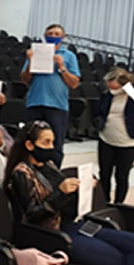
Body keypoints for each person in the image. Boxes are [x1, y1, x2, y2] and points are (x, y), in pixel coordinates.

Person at [4, 121, 134, 265]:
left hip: (74, 224)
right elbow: (32, 216)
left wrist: (83, 189)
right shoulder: (21, 173)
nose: (51, 147)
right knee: (131, 264)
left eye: (52, 142)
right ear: (30, 145)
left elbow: (67, 205)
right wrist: (60, 193)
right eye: (46, 142)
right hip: (52, 235)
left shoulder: (49, 166)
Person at [20, 24, 80, 167]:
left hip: (57, 106)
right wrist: (30, 61)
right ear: (45, 35)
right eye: (50, 33)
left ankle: (53, 175)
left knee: (56, 144)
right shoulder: (35, 52)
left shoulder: (69, 56)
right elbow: (25, 79)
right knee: (30, 141)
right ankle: (29, 173)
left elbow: (74, 83)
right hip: (34, 103)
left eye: (56, 34)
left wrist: (62, 67)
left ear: (63, 37)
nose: (53, 36)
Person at [96, 68, 134, 203]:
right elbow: (101, 111)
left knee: (121, 175)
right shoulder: (107, 94)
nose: (110, 88)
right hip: (106, 138)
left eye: (113, 86)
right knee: (104, 173)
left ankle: (119, 203)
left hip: (129, 142)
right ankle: (104, 201)